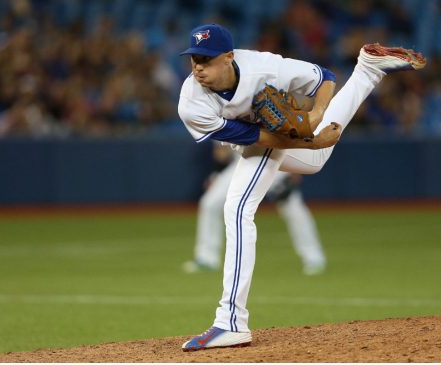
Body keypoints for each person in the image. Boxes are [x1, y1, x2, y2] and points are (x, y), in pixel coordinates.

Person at [177, 23, 426, 351]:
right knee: (317, 159)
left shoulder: (264, 67)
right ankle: (368, 70)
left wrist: (315, 117)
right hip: (256, 137)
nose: (198, 66)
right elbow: (257, 138)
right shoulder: (191, 102)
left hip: (270, 133)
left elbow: (323, 77)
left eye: (206, 59)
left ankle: (231, 322)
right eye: (194, 58)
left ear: (228, 57)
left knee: (237, 209)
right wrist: (312, 140)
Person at [183, 143, 326, 276]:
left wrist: (294, 167)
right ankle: (207, 258)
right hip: (242, 164)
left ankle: (314, 258)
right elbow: (221, 153)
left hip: (275, 159)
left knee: (292, 207)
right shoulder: (221, 116)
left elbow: (288, 132)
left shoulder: (262, 114)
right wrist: (216, 174)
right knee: (210, 203)